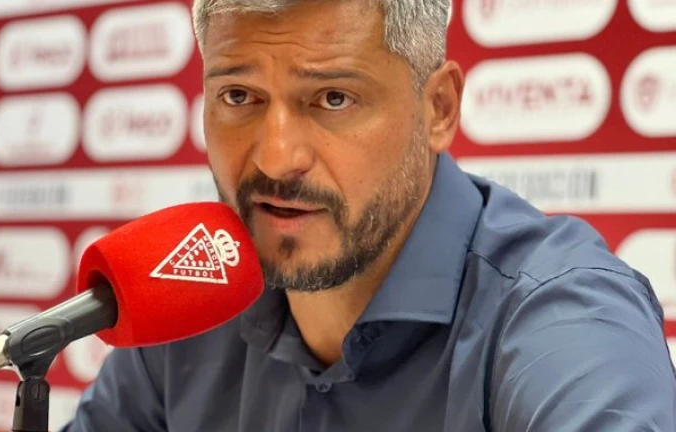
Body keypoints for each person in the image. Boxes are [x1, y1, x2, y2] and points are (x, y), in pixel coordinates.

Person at [61, 0, 676, 430]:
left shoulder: (560, 315)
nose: (276, 157)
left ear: (438, 109)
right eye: (239, 96)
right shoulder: (192, 293)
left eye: (333, 98)